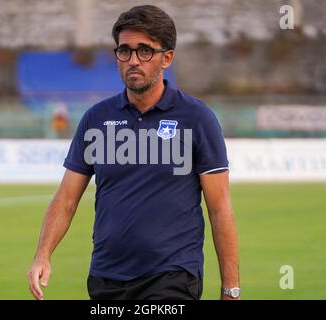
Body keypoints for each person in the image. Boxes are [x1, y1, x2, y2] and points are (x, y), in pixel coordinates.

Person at [27, 5, 240, 300]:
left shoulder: (197, 118)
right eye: (124, 51)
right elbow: (66, 199)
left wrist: (231, 288)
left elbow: (220, 208)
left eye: (144, 51)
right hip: (106, 276)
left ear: (167, 58)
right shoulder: (96, 119)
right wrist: (43, 254)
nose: (133, 61)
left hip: (172, 276)